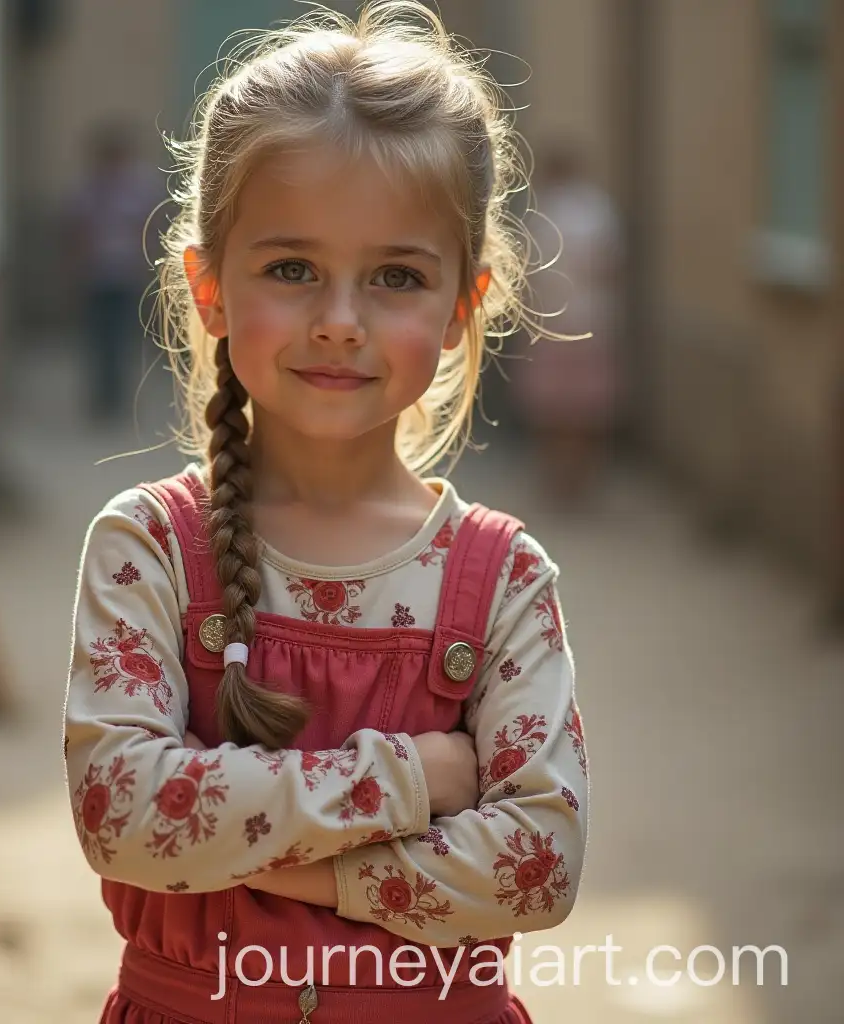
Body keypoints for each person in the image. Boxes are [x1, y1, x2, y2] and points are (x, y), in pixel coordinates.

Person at [62, 4, 589, 1021]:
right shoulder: (149, 552)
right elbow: (122, 812)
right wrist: (411, 777)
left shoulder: (502, 580)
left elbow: (538, 866)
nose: (339, 321)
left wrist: (303, 873)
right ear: (208, 287)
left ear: (459, 307)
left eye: (395, 276)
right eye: (292, 269)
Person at [515, 142, 623, 507]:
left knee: (552, 406)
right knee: (587, 406)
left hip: (552, 324)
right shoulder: (599, 210)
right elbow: (611, 266)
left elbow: (528, 274)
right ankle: (582, 480)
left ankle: (557, 479)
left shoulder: (543, 214)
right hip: (593, 320)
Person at [67, 120, 158, 421]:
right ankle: (100, 396)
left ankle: (119, 398)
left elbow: (149, 226)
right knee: (98, 337)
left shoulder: (138, 187)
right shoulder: (89, 188)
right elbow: (79, 231)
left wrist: (149, 265)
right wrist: (76, 269)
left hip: (126, 274)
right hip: (97, 276)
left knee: (122, 337)